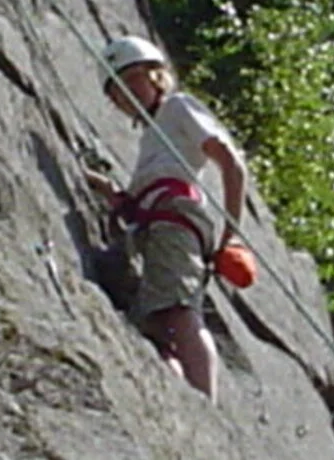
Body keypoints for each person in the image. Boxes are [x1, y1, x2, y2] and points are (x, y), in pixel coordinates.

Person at [83, 35, 246, 402]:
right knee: (155, 325)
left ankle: (205, 403)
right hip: (154, 224)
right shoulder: (153, 138)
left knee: (178, 309)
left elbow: (230, 163)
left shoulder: (178, 108)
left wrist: (230, 235)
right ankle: (182, 401)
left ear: (156, 75)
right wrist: (112, 194)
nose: (124, 97)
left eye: (131, 81)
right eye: (116, 93)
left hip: (176, 219)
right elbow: (143, 200)